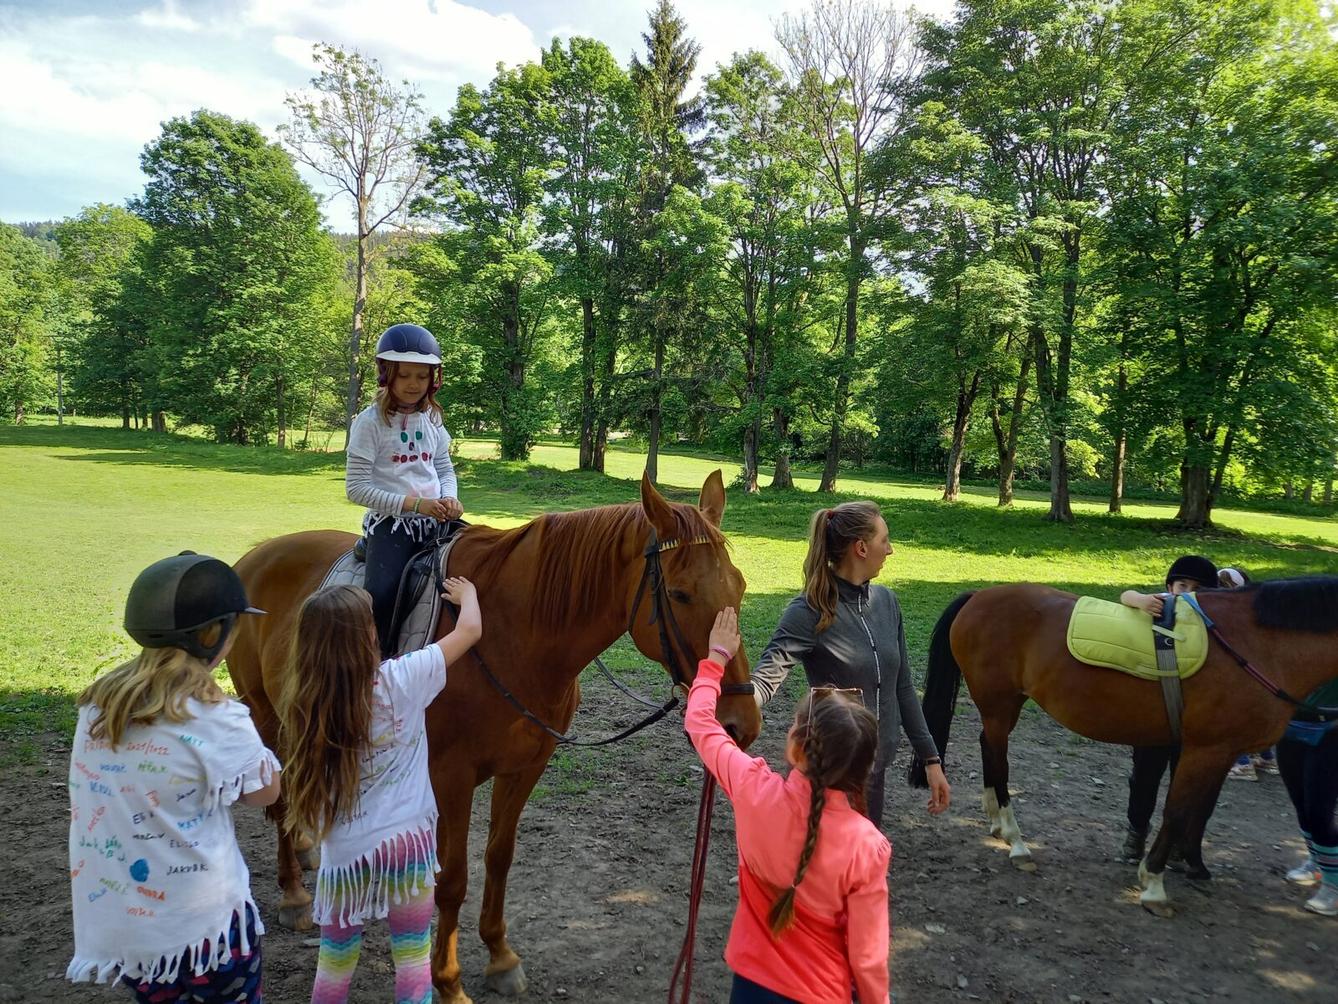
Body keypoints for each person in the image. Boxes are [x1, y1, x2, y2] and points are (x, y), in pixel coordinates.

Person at [67, 552, 280, 1003]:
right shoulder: (218, 717)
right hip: (207, 930)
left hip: (127, 927)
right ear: (212, 634)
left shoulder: (96, 708)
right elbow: (265, 794)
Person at [280, 578, 482, 1004]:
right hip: (407, 844)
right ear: (368, 635)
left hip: (345, 856)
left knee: (335, 962)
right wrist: (469, 596)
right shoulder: (403, 678)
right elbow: (469, 631)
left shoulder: (306, 703)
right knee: (412, 957)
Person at [686, 607, 892, 1004]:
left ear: (797, 749)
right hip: (824, 993)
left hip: (751, 987)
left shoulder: (753, 790)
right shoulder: (868, 847)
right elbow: (868, 958)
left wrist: (715, 659)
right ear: (863, 768)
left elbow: (701, 725)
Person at [750, 501, 951, 828]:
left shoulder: (887, 602)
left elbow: (902, 687)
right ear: (861, 548)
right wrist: (725, 700)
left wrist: (930, 759)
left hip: (873, 768)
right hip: (826, 773)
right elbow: (766, 678)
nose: (890, 549)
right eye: (884, 540)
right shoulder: (810, 610)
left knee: (864, 854)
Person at [346, 322, 462, 658]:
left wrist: (450, 497)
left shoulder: (433, 419)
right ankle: (375, 664)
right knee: (381, 596)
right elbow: (356, 488)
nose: (414, 384)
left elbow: (443, 468)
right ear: (387, 375)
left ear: (433, 379)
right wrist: (415, 504)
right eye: (405, 375)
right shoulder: (369, 423)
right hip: (392, 525)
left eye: (422, 376)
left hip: (436, 520)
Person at [1118, 554, 1218, 862]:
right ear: (1170, 586)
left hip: (1193, 719)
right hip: (1154, 716)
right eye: (1182, 585)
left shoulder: (1214, 621)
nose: (1187, 593)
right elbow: (1125, 596)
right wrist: (1141, 601)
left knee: (1184, 784)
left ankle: (1172, 840)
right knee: (1144, 779)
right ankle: (1136, 833)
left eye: (1197, 588)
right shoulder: (1162, 603)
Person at [1277, 674, 1338, 917]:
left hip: (1331, 728)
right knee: (1301, 803)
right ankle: (1318, 862)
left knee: (1318, 811)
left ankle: (1334, 884)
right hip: (1292, 723)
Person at [1215, 567, 1279, 781]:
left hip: (1238, 678)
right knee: (1253, 719)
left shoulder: (1225, 613)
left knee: (1232, 718)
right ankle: (1266, 759)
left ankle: (1242, 764)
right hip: (1261, 679)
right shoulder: (1254, 609)